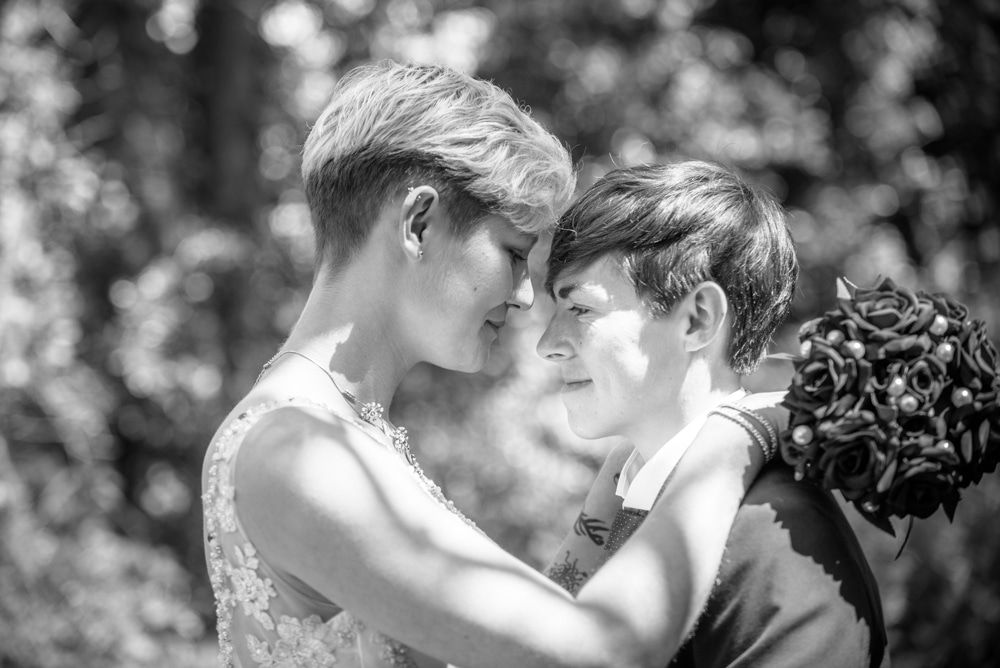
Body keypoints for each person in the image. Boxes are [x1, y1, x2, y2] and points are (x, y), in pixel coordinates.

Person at [201, 60, 783, 668]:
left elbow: (523, 641)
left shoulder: (332, 431)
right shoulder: (299, 452)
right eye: (513, 253)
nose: (525, 296)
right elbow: (601, 649)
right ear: (418, 224)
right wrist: (729, 441)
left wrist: (633, 462)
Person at [539, 161, 889, 667]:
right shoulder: (625, 492)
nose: (547, 345)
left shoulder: (779, 538)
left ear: (698, 319)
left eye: (581, 309)